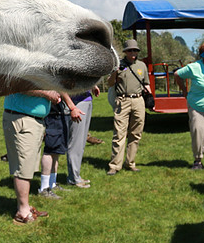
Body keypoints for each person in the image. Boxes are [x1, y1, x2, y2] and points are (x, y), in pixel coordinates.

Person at [2, 90, 58, 223]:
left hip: (31, 119)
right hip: (22, 119)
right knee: (23, 167)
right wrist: (47, 94)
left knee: (28, 166)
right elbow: (22, 86)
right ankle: (22, 212)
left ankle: (25, 206)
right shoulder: (21, 68)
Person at [106, 39, 150, 175]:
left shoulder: (142, 65)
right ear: (125, 52)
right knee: (119, 134)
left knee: (136, 134)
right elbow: (110, 83)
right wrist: (115, 72)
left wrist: (150, 96)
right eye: (130, 50)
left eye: (135, 50)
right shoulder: (119, 65)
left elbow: (146, 83)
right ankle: (114, 166)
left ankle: (130, 163)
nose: (133, 53)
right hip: (123, 100)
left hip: (138, 101)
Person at [38, 95, 80, 198]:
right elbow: (61, 90)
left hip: (60, 113)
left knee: (56, 151)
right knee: (50, 150)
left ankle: (52, 184)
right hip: (53, 114)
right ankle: (44, 188)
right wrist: (72, 107)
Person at [64, 86, 100, 187]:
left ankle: (76, 175)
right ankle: (73, 178)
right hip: (76, 103)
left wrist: (92, 86)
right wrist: (72, 107)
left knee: (81, 142)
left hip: (87, 99)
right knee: (76, 142)